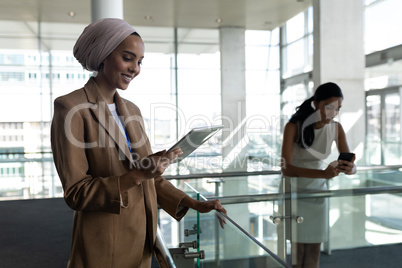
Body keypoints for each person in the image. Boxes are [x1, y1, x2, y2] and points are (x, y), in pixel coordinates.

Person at [50, 18, 226, 268]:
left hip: (142, 238)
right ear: (103, 56)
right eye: (128, 57)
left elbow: (150, 177)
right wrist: (137, 175)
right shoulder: (70, 108)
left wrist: (194, 203)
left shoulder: (132, 110)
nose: (136, 68)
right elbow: (77, 192)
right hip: (104, 242)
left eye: (140, 61)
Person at [280, 82, 356, 268]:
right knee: (298, 253)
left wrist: (350, 168)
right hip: (295, 192)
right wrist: (322, 174)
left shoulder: (336, 128)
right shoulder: (293, 126)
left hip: (318, 194)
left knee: (314, 249)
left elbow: (351, 165)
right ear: (316, 104)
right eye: (328, 107)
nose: (333, 113)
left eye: (337, 109)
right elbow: (286, 168)